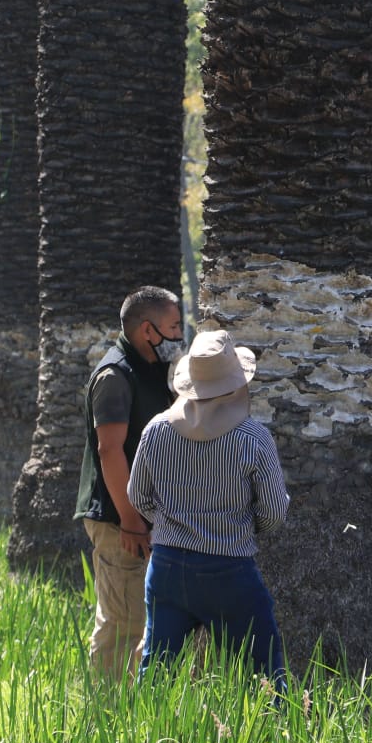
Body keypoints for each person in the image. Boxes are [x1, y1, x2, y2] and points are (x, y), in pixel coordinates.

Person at [127, 330, 289, 682]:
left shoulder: (156, 430)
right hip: (229, 569)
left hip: (167, 565)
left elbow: (137, 496)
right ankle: (273, 732)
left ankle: (141, 734)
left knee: (156, 670)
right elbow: (275, 512)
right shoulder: (253, 438)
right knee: (263, 670)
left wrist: (173, 522)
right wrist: (241, 526)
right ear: (236, 385)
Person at [73, 286, 185, 678]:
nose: (179, 335)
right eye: (173, 326)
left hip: (144, 519)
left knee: (145, 623)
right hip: (119, 522)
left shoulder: (151, 368)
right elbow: (110, 450)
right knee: (123, 624)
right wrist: (132, 520)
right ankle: (106, 716)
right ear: (147, 331)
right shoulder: (115, 376)